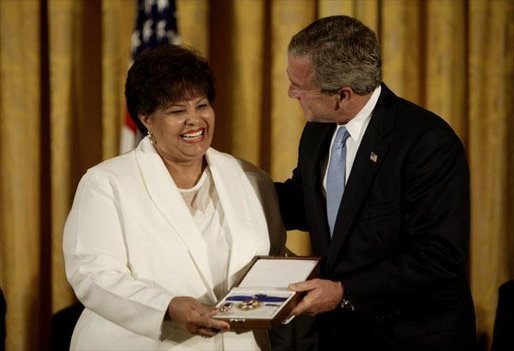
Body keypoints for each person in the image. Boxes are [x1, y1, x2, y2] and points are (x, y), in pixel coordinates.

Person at [272, 15, 477, 351]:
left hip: (411, 338)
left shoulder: (426, 142)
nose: (291, 92)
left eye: (299, 85)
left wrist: (343, 292)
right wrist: (226, 181)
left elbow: (438, 255)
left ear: (342, 95)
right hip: (342, 338)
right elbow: (305, 203)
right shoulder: (318, 130)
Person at [63, 44, 286, 351]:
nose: (194, 120)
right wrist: (166, 306)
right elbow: (93, 273)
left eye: (201, 105)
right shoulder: (106, 183)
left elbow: (272, 258)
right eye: (177, 111)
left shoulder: (250, 178)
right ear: (146, 119)